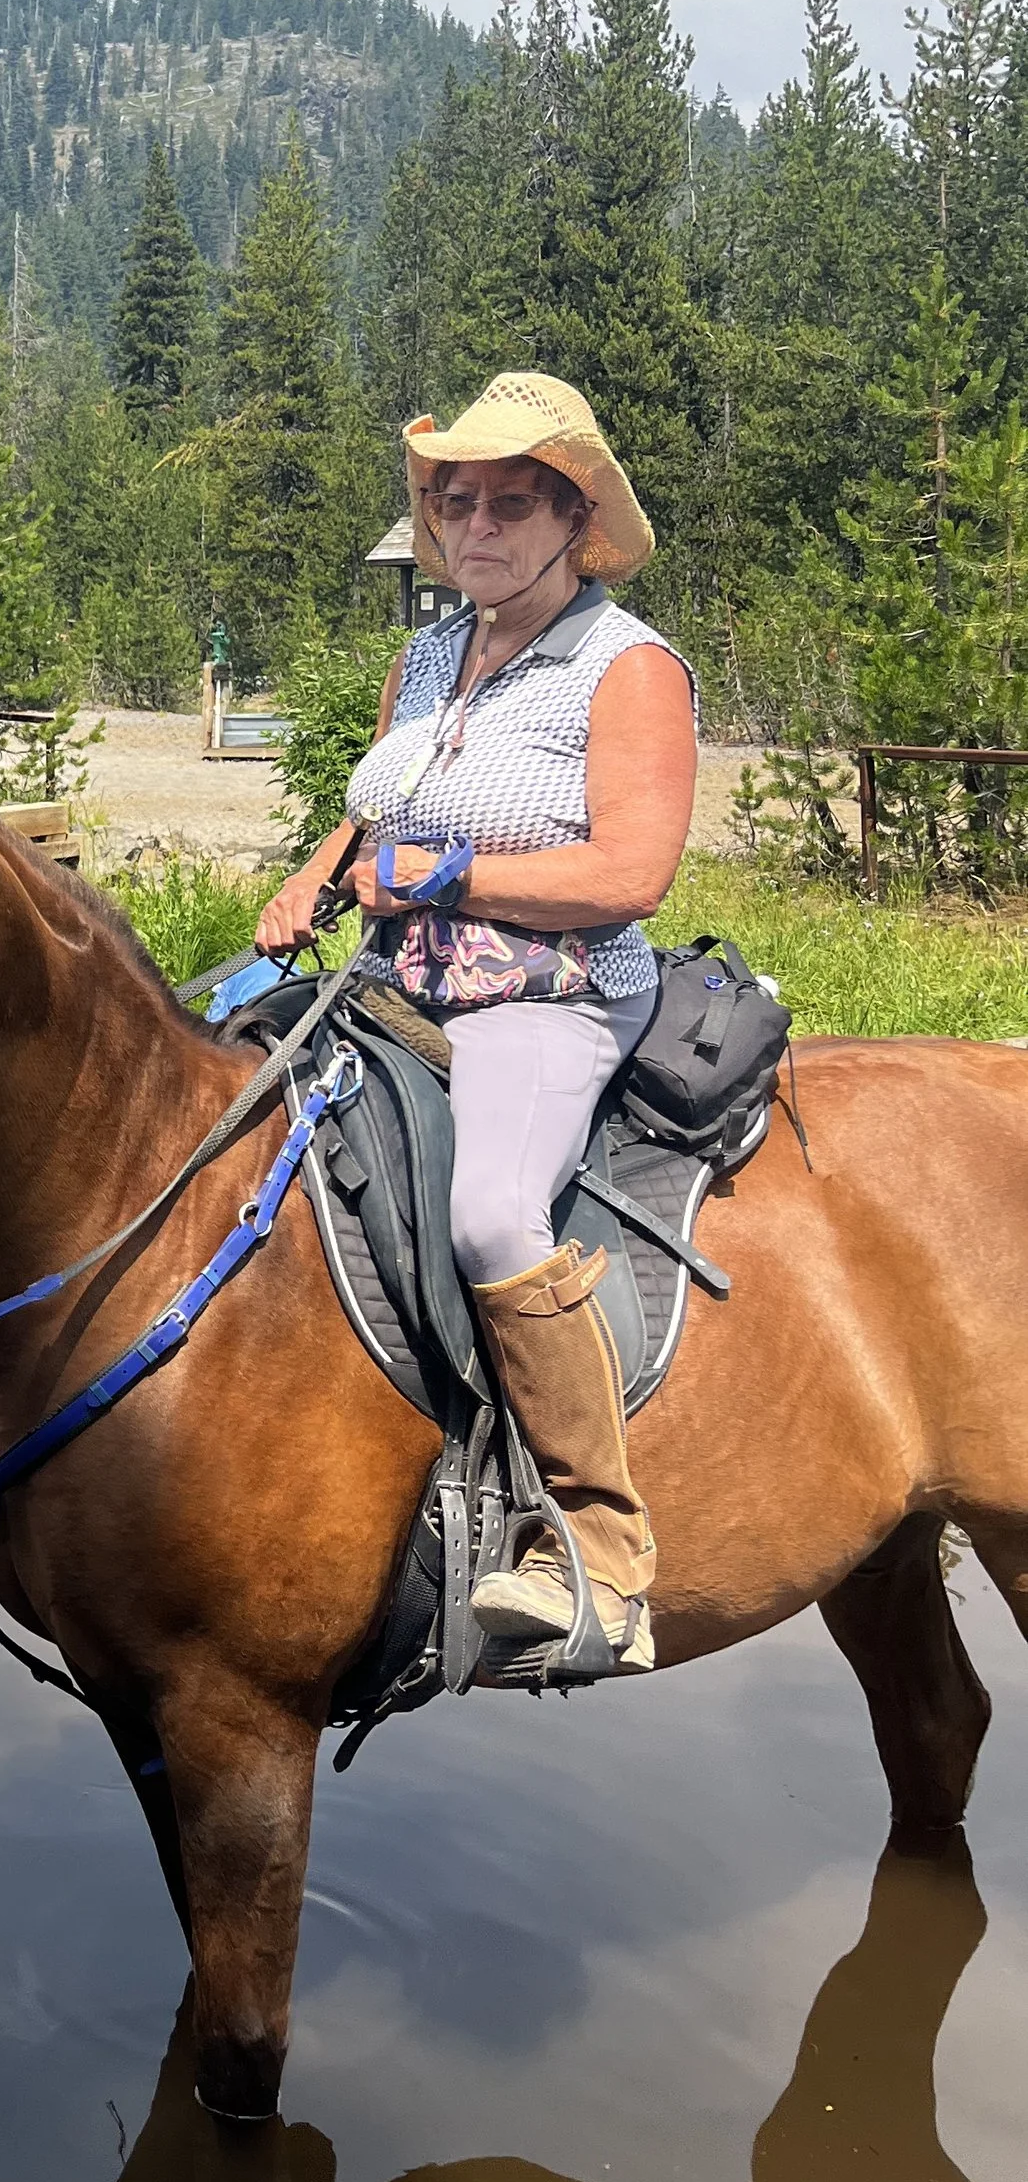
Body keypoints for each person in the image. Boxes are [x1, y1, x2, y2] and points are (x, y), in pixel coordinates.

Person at [256, 373, 697, 1674]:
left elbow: (631, 875)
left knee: (493, 1214)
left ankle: (602, 1560)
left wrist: (448, 876)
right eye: (460, 500)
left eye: (514, 500)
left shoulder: (627, 668)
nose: (481, 523)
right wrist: (323, 869)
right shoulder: (432, 652)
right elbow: (390, 798)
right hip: (395, 984)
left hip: (546, 1001)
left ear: (574, 518)